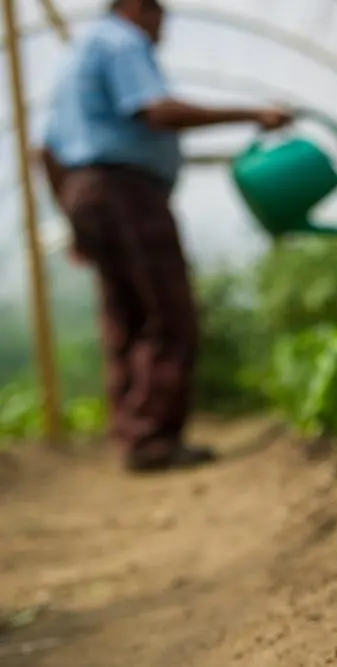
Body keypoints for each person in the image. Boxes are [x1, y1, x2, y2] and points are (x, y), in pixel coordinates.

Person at [38, 0, 294, 473]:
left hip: (87, 192)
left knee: (126, 316)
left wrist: (74, 219)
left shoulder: (77, 57)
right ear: (137, 7)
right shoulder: (120, 41)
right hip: (126, 193)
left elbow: (47, 150)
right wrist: (252, 113)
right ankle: (152, 439)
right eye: (161, 18)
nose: (163, 31)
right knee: (167, 313)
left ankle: (133, 435)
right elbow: (154, 111)